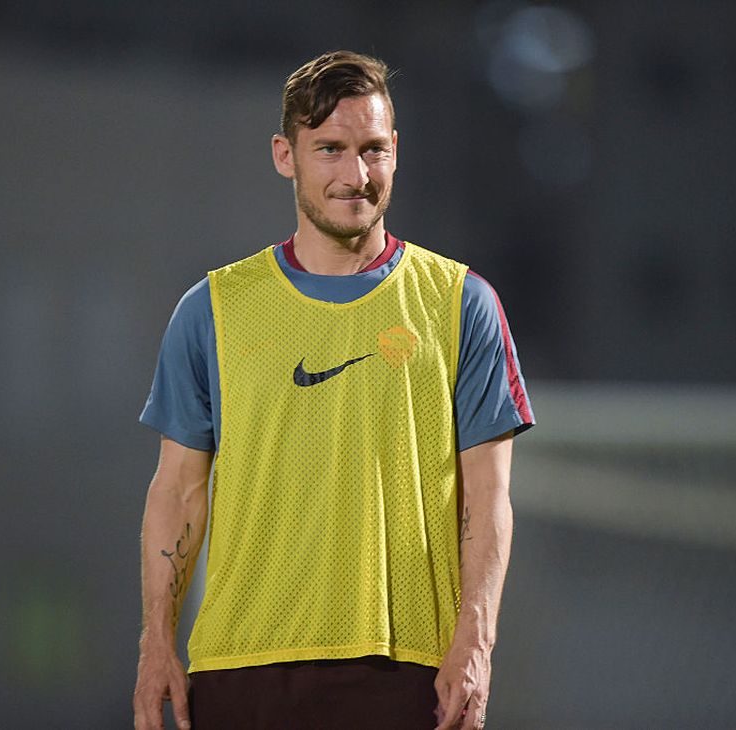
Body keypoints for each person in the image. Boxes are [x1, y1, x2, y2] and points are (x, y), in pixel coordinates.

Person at [132, 50, 534, 730]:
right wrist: (154, 643)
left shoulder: (461, 303)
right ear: (285, 155)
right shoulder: (213, 310)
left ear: (396, 151)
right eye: (330, 150)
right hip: (240, 668)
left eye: (373, 150)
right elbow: (177, 491)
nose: (356, 175)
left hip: (407, 672)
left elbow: (489, 497)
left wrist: (478, 642)